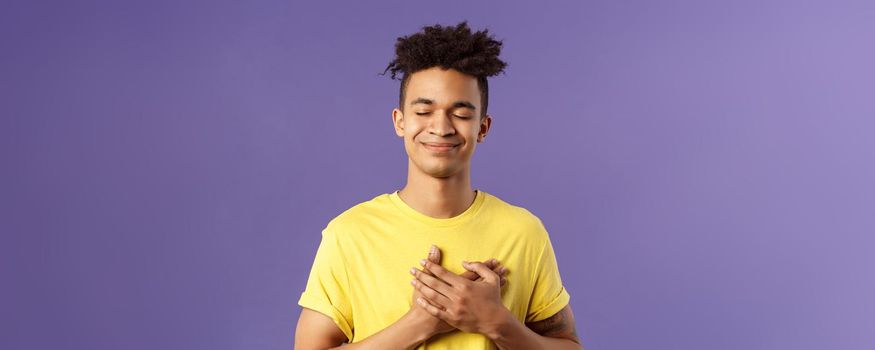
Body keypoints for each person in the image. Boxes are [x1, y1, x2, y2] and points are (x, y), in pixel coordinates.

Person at [294, 21, 582, 350]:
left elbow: (568, 345)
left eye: (460, 113)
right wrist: (422, 321)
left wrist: (495, 322)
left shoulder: (524, 231)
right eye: (424, 110)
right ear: (400, 121)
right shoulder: (349, 235)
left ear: (483, 128)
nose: (441, 127)